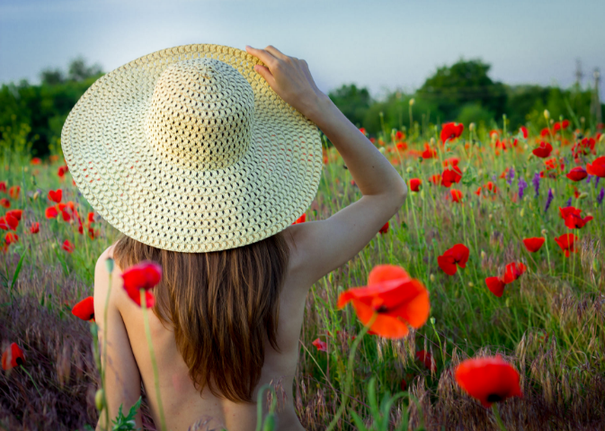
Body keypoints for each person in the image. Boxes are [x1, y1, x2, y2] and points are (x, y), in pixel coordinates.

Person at [67, 44, 406, 430]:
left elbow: (118, 421)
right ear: (247, 151)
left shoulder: (118, 270)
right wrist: (314, 102)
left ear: (150, 154)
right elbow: (387, 192)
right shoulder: (294, 255)